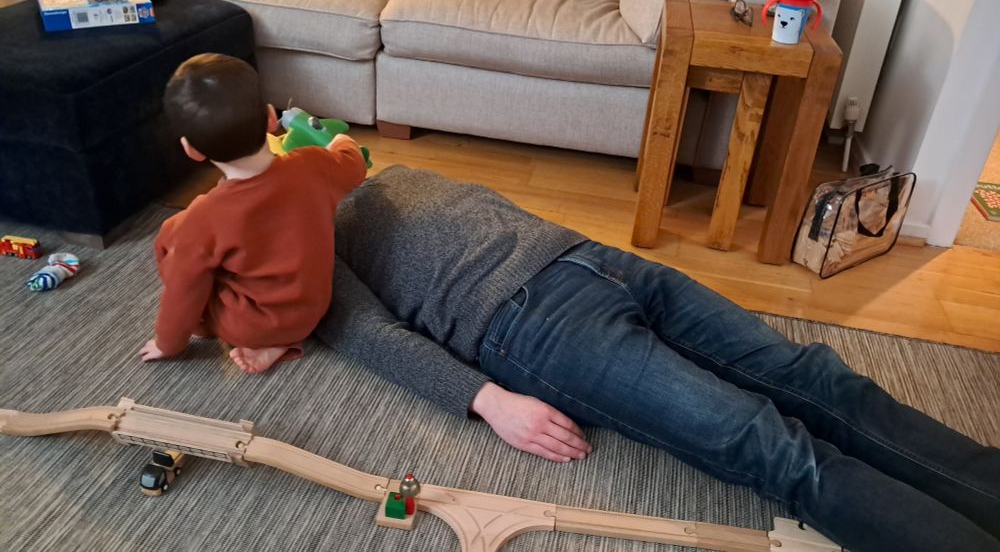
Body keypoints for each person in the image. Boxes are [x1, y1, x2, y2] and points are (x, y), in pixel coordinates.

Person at [315, 166, 1000, 552]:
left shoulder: (386, 175)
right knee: (772, 446)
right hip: (528, 328)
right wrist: (489, 400)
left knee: (823, 381)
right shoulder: (316, 250)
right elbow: (372, 338)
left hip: (596, 261)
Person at [139, 54, 367, 373]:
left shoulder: (204, 218)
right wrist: (342, 142)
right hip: (313, 309)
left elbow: (182, 292)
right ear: (271, 118)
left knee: (173, 238)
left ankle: (208, 326)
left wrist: (167, 343)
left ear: (192, 150)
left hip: (248, 327)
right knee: (193, 237)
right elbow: (354, 166)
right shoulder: (314, 164)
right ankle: (282, 341)